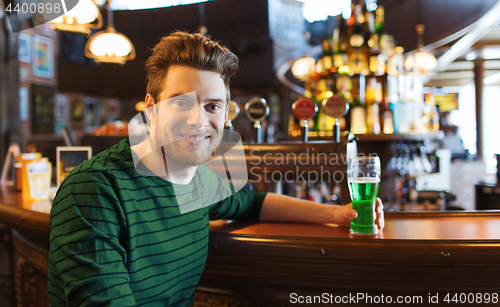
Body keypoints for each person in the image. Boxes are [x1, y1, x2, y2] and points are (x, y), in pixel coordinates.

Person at [47, 31, 384, 307]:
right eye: (181, 102)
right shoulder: (95, 189)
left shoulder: (199, 183)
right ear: (151, 110)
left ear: (224, 116)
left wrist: (337, 214)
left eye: (211, 106)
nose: (199, 119)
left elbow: (254, 203)